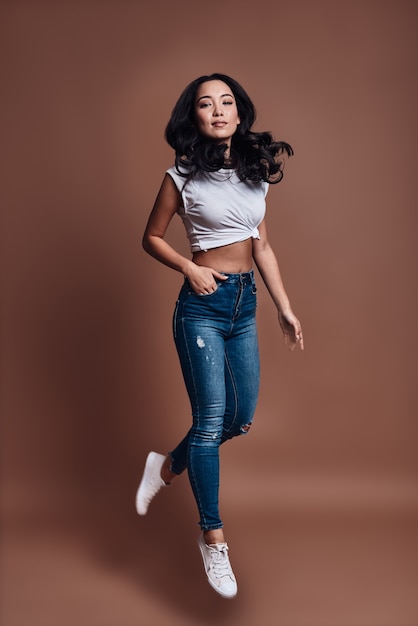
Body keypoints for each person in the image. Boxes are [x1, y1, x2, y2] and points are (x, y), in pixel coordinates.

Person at [135, 73, 303, 599]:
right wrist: (189, 267)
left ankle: (165, 467)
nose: (218, 111)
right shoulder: (180, 174)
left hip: (244, 303)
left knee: (241, 418)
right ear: (195, 116)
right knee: (209, 422)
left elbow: (263, 247)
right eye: (206, 104)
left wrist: (284, 306)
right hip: (202, 307)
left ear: (239, 111)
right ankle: (213, 538)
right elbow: (151, 237)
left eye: (227, 101)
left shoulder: (254, 169)